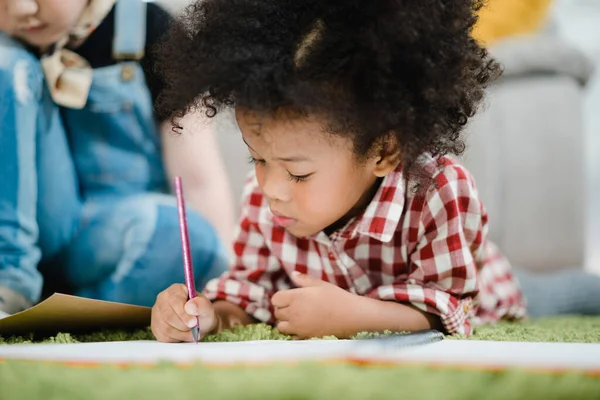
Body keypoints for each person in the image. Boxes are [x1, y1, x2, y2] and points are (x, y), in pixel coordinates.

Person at [150, 0, 600, 342]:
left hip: (488, 288)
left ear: (384, 151)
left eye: (298, 173)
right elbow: (245, 293)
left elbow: (452, 311)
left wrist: (353, 316)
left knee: (570, 294)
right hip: (432, 276)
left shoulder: (441, 190)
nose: (271, 188)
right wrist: (208, 314)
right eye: (257, 159)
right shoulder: (264, 195)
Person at [0, 0, 233, 317]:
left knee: (193, 239)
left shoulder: (153, 31)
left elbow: (199, 182)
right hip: (28, 231)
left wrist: (227, 289)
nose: (20, 9)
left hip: (108, 238)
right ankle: (11, 286)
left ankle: (63, 310)